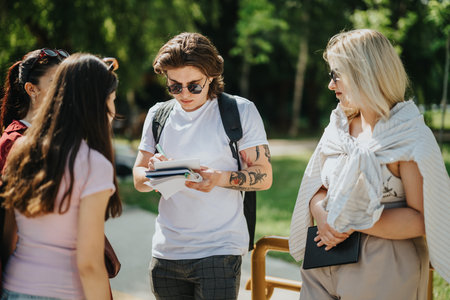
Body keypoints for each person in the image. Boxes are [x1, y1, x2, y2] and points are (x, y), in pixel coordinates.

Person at [289, 29, 450, 299]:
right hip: (323, 256)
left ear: (363, 72)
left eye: (336, 74)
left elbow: (423, 219)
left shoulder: (407, 136)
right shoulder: (338, 128)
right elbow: (317, 185)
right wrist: (321, 213)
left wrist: (352, 220)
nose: (331, 85)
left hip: (383, 260)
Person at [133, 32, 272, 299]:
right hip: (166, 251)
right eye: (175, 86)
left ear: (211, 77)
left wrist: (219, 178)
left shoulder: (239, 111)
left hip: (219, 250)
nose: (184, 94)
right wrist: (155, 172)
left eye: (194, 85)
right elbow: (139, 179)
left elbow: (264, 176)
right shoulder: (157, 115)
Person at [0, 53, 122, 300]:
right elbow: (89, 264)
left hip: (15, 288)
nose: (113, 109)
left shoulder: (22, 150)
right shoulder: (93, 163)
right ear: (97, 104)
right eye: (112, 100)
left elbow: (8, 239)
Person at [0, 48, 68, 290]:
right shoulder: (14, 142)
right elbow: (9, 225)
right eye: (56, 81)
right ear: (32, 89)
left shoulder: (59, 138)